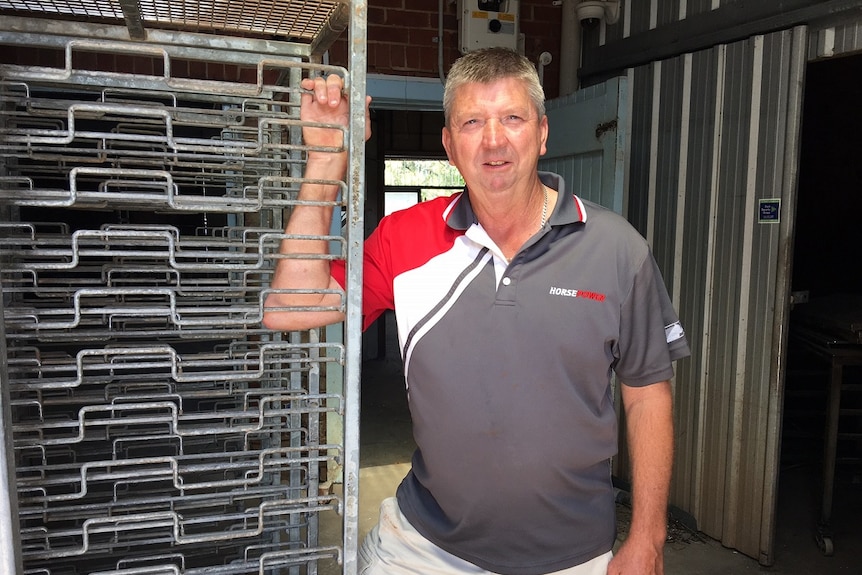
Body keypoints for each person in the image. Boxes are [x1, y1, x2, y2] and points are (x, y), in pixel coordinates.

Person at [263, 47, 690, 575]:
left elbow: (647, 393)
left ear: (542, 132)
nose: (494, 140)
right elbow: (288, 307)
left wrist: (648, 537)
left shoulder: (617, 250)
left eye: (512, 118)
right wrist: (328, 157)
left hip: (576, 556)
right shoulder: (406, 238)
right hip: (425, 550)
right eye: (472, 122)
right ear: (448, 144)